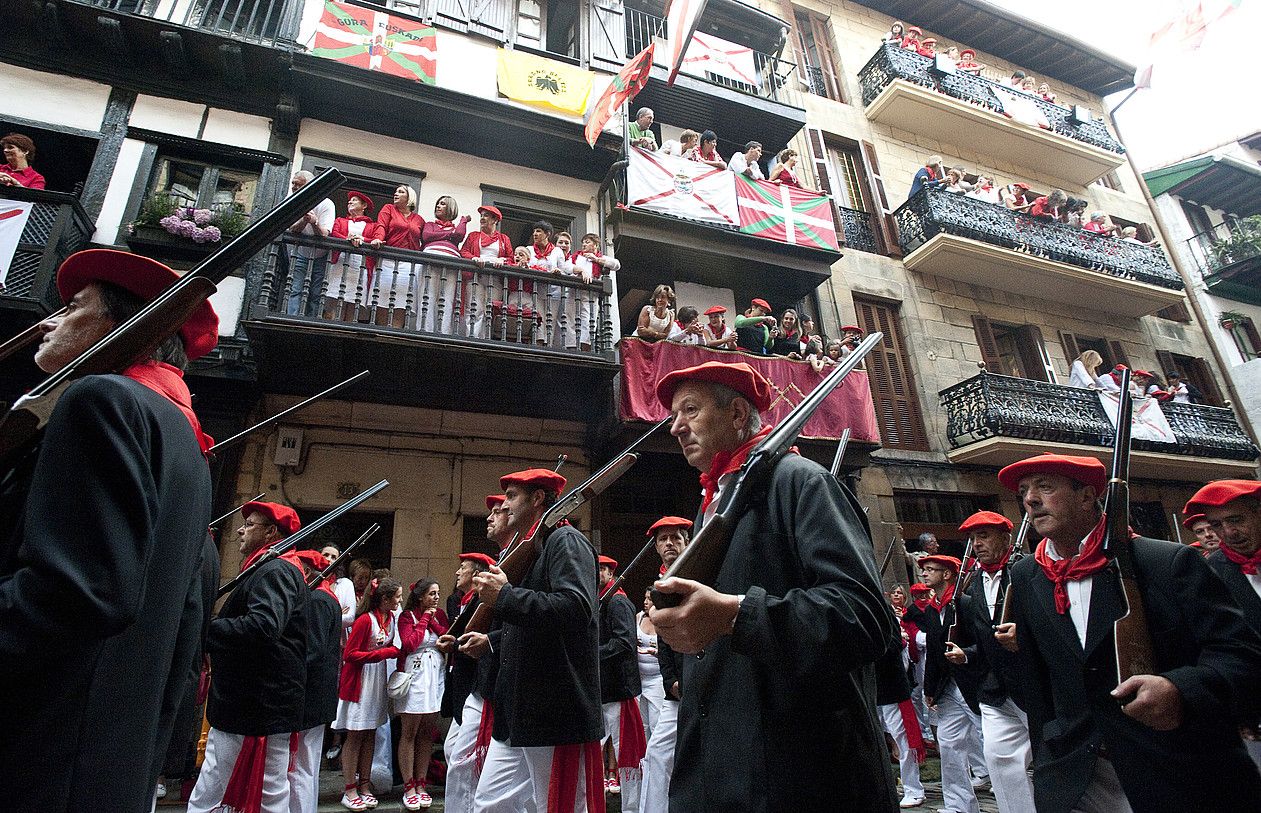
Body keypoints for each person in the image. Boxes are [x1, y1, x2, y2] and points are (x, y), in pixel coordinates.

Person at [0, 249, 216, 812]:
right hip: (109, 765)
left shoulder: (97, 400)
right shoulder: (183, 441)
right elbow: (184, 627)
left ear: (125, 327)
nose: (49, 320)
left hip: (38, 753)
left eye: (72, 307)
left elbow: (79, 592)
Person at [649, 360, 899, 810]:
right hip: (726, 767)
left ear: (737, 415)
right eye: (674, 416)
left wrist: (733, 613)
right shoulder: (716, 501)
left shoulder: (801, 481)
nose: (676, 427)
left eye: (690, 410)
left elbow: (865, 616)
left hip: (797, 774)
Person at [999, 453, 1261, 812]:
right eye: (1025, 490)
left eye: (1046, 486)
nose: (1030, 499)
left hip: (1178, 770)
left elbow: (1239, 655)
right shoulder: (1026, 576)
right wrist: (1048, 755)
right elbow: (1038, 682)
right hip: (1076, 775)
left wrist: (1179, 689)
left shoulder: (1167, 561)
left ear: (1087, 496)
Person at [469, 468, 603, 812]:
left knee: (560, 806)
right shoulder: (531, 548)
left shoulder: (564, 540)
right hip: (518, 712)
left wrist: (505, 597)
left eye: (512, 496)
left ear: (538, 499)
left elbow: (575, 609)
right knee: (489, 804)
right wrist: (492, 640)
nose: (504, 505)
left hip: (554, 713)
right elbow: (529, 626)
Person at [190, 501, 309, 813]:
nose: (241, 530)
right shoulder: (273, 568)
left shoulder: (277, 570)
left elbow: (263, 626)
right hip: (257, 705)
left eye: (251, 524)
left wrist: (208, 630)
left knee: (216, 790)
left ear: (271, 532)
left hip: (253, 704)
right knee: (264, 791)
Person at [945, 511, 1037, 813]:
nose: (977, 544)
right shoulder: (974, 586)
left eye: (984, 536)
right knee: (1000, 763)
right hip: (996, 691)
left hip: (1034, 687)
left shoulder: (1029, 570)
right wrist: (966, 654)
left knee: (1057, 765)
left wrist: (1023, 636)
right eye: (973, 538)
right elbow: (982, 642)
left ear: (1006, 538)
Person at [439, 500, 510, 813]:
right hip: (473, 686)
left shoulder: (510, 571)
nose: (491, 517)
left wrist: (487, 643)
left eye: (503, 506)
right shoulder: (466, 598)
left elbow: (510, 628)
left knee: (466, 764)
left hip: (488, 686)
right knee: (458, 756)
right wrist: (454, 643)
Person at [1185, 480, 1261, 769]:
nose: (1228, 533)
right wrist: (1242, 710)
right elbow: (1215, 649)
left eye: (1236, 520)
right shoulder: (1207, 573)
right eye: (1217, 525)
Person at [912, 553, 981, 813]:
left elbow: (982, 642)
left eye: (931, 569)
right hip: (947, 687)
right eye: (925, 569)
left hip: (972, 683)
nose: (925, 573)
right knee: (950, 747)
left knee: (991, 744)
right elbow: (932, 650)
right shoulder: (931, 609)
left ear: (948, 574)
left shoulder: (965, 603)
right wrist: (930, 689)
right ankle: (959, 805)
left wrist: (967, 655)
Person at [334, 577, 404, 811]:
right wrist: (382, 654)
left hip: (377, 683)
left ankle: (365, 785)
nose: (400, 600)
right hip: (359, 682)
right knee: (355, 735)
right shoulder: (365, 620)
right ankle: (349, 788)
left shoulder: (391, 618)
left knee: (371, 733)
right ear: (384, 598)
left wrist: (386, 653)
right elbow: (350, 654)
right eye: (397, 596)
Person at [640, 517, 692, 813]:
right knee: (658, 754)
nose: (669, 543)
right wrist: (671, 680)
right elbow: (664, 642)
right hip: (675, 692)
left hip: (702, 684)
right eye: (663, 539)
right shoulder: (659, 585)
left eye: (675, 537)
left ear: (687, 541)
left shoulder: (700, 574)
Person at [290, 550, 346, 813]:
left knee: (301, 766)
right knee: (306, 765)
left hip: (310, 694)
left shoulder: (317, 600)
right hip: (316, 694)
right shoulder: (326, 598)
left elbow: (311, 650)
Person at [396, 578, 449, 810]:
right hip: (415, 675)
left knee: (427, 732)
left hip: (434, 676)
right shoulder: (407, 617)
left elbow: (447, 638)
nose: (436, 598)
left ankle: (421, 782)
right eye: (431, 594)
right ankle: (408, 785)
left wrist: (435, 622)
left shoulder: (441, 615)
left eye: (438, 593)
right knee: (410, 732)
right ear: (420, 596)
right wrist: (426, 618)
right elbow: (410, 643)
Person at [597, 555, 645, 799]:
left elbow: (624, 643)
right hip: (605, 691)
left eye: (601, 569)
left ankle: (632, 805)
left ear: (610, 573)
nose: (596, 573)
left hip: (619, 691)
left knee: (627, 759)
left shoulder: (617, 602)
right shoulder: (601, 600)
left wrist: (591, 655)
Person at [370, 184, 423, 328]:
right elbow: (381, 226)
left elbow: (423, 241)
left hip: (408, 264)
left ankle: (395, 333)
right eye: (396, 192)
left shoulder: (418, 219)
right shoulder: (388, 209)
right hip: (387, 260)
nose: (396, 194)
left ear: (409, 197)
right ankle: (381, 331)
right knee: (382, 297)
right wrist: (378, 239)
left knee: (402, 301)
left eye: (400, 192)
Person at [458, 204, 514, 339]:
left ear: (495, 220)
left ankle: (485, 339)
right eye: (481, 216)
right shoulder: (473, 236)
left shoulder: (503, 239)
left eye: (486, 216)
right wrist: (474, 258)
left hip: (495, 280)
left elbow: (511, 258)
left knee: (489, 310)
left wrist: (502, 260)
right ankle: (471, 337)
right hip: (475, 277)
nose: (482, 218)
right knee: (473, 308)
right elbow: (463, 252)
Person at [286, 171, 336, 318]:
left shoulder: (326, 204)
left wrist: (314, 222)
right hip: (300, 252)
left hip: (321, 254)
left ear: (310, 185)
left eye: (298, 184)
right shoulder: (291, 201)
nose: (294, 187)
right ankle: (293, 318)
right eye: (293, 183)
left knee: (316, 291)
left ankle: (312, 319)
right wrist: (305, 220)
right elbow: (293, 229)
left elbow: (324, 234)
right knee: (296, 288)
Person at [419, 195, 471, 334]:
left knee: (447, 299)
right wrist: (448, 235)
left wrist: (463, 221)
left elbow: (459, 234)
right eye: (438, 204)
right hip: (431, 258)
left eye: (442, 204)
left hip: (451, 262)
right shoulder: (430, 224)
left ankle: (444, 331)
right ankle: (425, 329)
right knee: (428, 296)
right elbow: (427, 236)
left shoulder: (456, 227)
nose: (438, 206)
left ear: (450, 207)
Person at [327, 190, 382, 321]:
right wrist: (348, 239)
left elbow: (375, 239)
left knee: (353, 304)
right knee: (336, 304)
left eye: (354, 200)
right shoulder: (340, 221)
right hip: (340, 266)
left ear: (364, 206)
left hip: (359, 269)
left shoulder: (372, 226)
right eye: (349, 200)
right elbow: (334, 233)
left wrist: (361, 239)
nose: (350, 202)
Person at [566, 232, 620, 351]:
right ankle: (571, 347)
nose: (584, 244)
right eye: (583, 242)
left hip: (590, 295)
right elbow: (567, 267)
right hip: (573, 292)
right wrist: (580, 270)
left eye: (587, 242)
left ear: (595, 245)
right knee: (570, 319)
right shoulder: (576, 256)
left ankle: (585, 348)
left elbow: (616, 265)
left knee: (588, 322)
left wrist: (597, 259)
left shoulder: (600, 257)